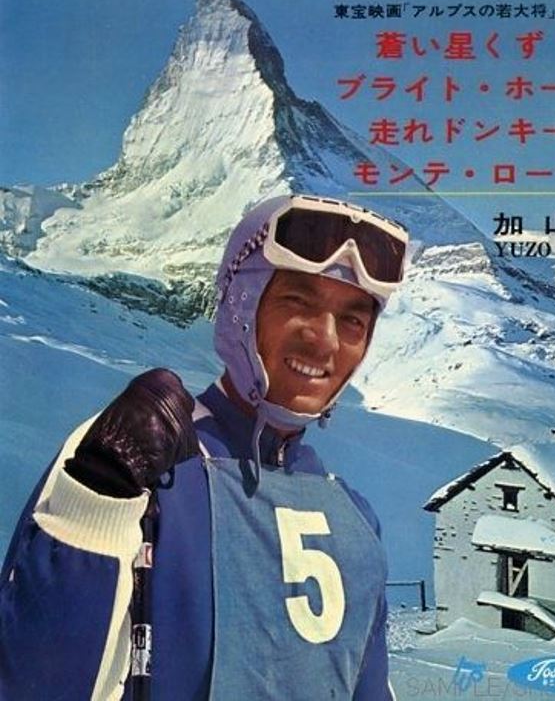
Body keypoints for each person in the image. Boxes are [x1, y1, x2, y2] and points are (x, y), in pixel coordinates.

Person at [0, 194, 409, 700]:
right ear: (242, 304)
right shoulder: (131, 456)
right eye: (298, 302)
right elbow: (36, 684)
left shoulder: (354, 517)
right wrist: (97, 497)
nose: (325, 340)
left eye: (352, 320)